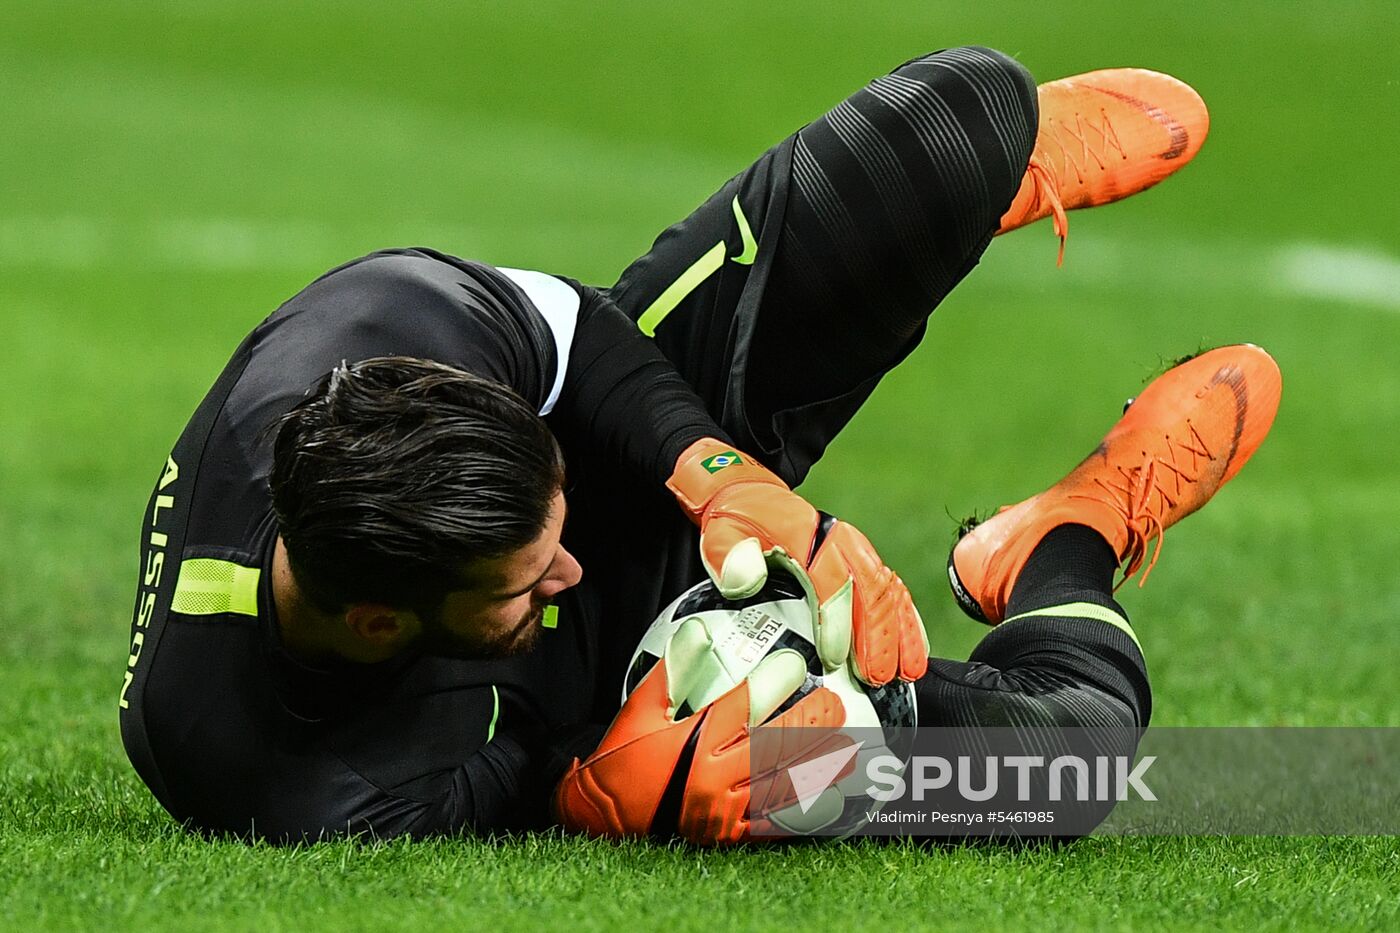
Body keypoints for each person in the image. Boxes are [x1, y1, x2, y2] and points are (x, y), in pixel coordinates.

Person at [119, 47, 1272, 844]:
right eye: (529, 579)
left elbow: (583, 332)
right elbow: (506, 778)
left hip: (638, 446)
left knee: (955, 114)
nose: (563, 569)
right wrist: (614, 786)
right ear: (380, 624)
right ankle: (1060, 544)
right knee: (1072, 771)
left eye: (547, 532)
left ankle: (983, 188)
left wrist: (722, 482)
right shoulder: (269, 772)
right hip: (644, 701)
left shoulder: (377, 327)